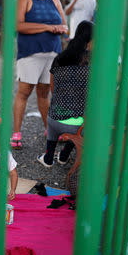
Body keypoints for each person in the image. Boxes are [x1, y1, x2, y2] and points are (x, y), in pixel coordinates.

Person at [12, 0, 68, 149]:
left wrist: (61, 29)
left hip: (52, 53)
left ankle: (49, 130)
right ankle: (17, 133)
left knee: (44, 93)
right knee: (24, 91)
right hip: (30, 54)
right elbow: (19, 25)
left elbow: (64, 25)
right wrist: (47, 27)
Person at [37, 20, 93, 167]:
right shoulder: (92, 62)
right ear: (90, 40)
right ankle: (64, 155)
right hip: (77, 125)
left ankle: (48, 157)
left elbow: (53, 89)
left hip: (54, 120)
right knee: (85, 121)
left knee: (56, 111)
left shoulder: (59, 58)